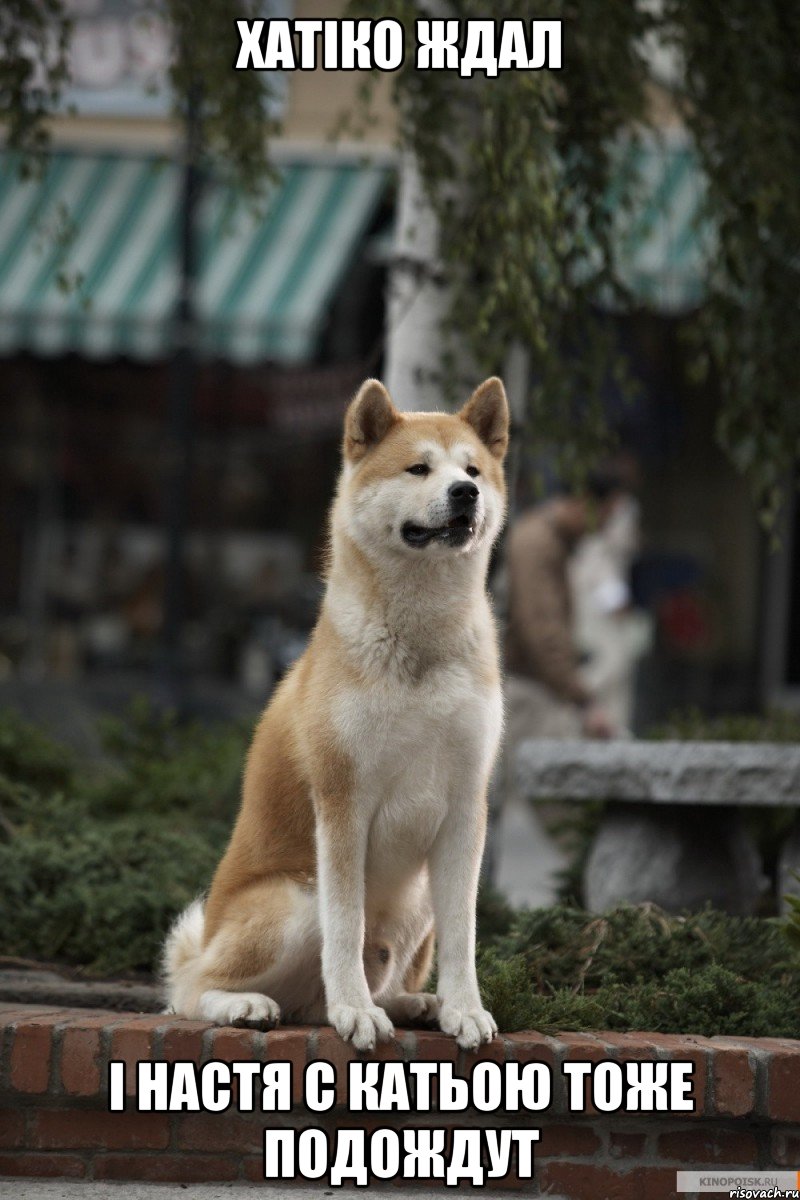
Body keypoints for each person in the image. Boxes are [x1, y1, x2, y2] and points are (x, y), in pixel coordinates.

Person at [504, 470, 627, 742]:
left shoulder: (551, 541)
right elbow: (542, 630)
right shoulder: (538, 544)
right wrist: (583, 700)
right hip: (526, 691)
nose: (605, 527)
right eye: (607, 515)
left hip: (537, 687)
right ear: (586, 502)